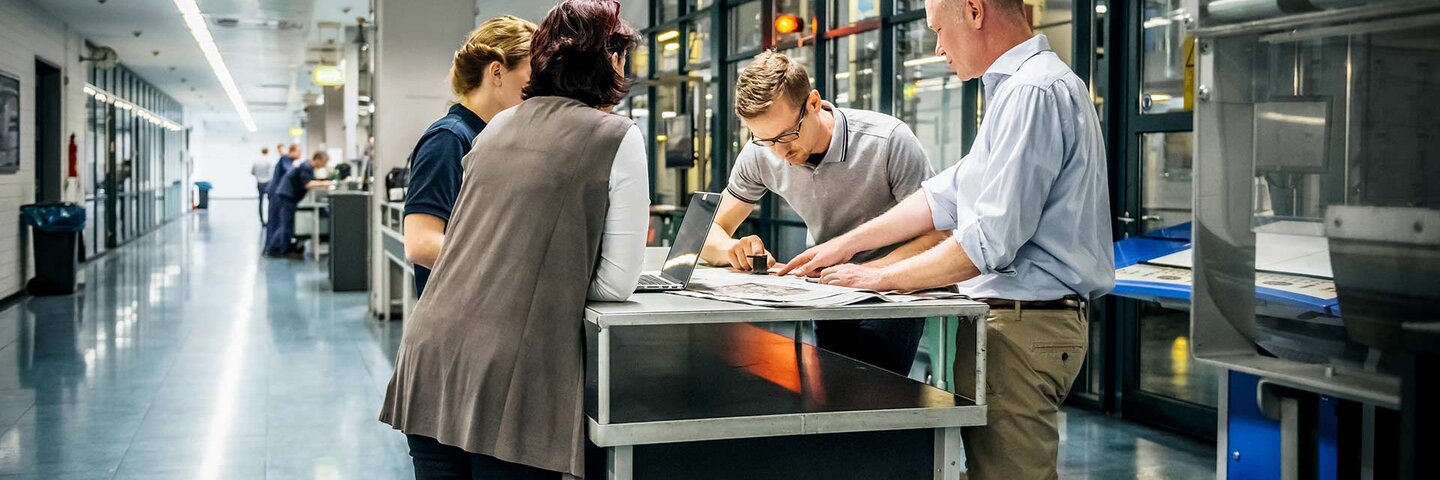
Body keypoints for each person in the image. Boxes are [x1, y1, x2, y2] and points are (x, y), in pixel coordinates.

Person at [780, 0, 1114, 477]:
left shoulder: (1033, 91)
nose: (938, 48)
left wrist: (876, 278)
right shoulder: (1015, 92)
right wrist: (844, 247)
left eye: (939, 29)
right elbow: (946, 196)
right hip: (1012, 328)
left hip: (1023, 330)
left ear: (975, 11)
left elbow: (989, 241)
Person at [379, 1, 645, 478]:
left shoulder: (496, 127)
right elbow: (616, 283)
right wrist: (545, 276)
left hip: (433, 355)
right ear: (607, 63)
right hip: (510, 373)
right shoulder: (616, 135)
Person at [699, 50, 946, 376]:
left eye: (787, 135)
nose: (780, 153)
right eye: (765, 140)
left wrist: (870, 275)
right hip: (828, 290)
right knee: (828, 394)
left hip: (891, 291)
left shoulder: (887, 141)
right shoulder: (762, 153)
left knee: (875, 395)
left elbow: (938, 234)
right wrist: (732, 249)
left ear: (814, 103)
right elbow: (708, 232)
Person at [403, 15, 536, 297]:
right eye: (530, 78)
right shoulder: (449, 139)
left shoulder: (490, 137)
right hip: (453, 313)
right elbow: (420, 242)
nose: (535, 92)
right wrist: (508, 269)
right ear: (497, 73)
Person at [264, 151, 332, 258]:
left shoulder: (307, 166)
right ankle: (275, 249)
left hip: (288, 196)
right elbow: (308, 184)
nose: (323, 165)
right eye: (324, 162)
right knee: (286, 224)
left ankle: (280, 248)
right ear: (318, 159)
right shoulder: (306, 166)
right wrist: (327, 183)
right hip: (287, 196)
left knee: (287, 224)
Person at [263, 144, 301, 248]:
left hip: (277, 192)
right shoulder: (285, 159)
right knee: (275, 220)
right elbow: (289, 171)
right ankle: (272, 247)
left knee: (278, 220)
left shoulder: (288, 160)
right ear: (292, 151)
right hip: (276, 193)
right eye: (299, 151)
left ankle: (276, 246)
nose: (300, 154)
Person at [251, 147, 274, 226]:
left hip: (259, 183)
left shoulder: (256, 161)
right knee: (270, 202)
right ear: (268, 152)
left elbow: (252, 172)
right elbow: (271, 174)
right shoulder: (270, 161)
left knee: (260, 202)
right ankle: (270, 219)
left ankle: (262, 221)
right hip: (268, 183)